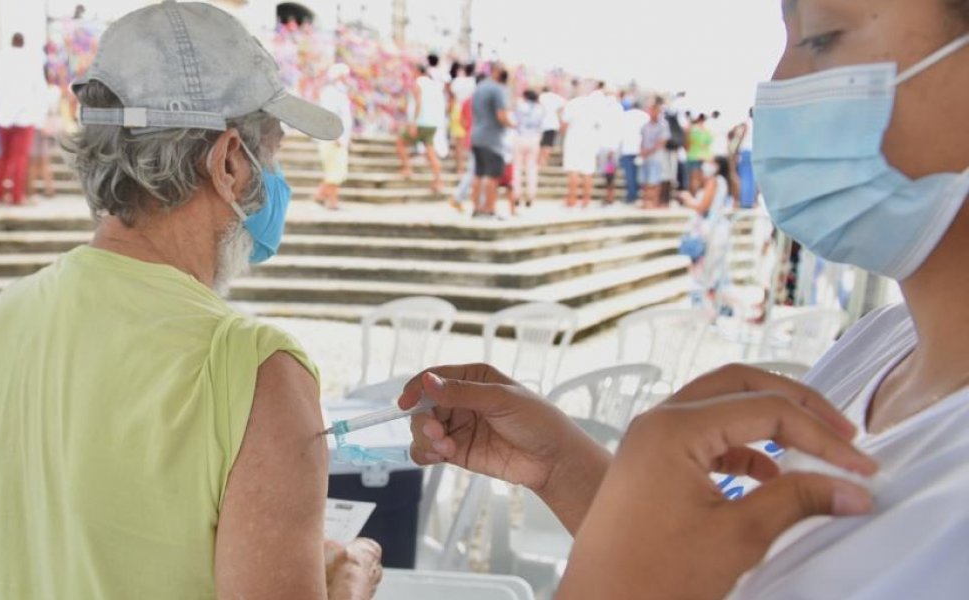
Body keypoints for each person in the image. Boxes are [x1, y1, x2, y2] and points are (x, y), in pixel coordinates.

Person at [403, 0, 969, 596]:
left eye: (825, 35)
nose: (777, 87)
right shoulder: (883, 343)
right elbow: (719, 572)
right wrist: (563, 466)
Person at [0, 3, 382, 599]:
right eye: (274, 154)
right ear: (230, 162)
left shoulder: (10, 313)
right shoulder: (254, 371)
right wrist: (348, 582)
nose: (279, 182)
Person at [0, 33, 46, 206]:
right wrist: (39, 118)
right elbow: (39, 90)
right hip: (25, 116)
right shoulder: (32, 62)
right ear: (24, 43)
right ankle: (16, 196)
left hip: (3, 116)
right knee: (20, 158)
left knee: (3, 156)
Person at [678, 156, 733, 311]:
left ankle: (703, 308)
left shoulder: (714, 181)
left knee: (702, 271)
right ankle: (718, 306)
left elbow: (702, 207)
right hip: (717, 229)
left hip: (709, 230)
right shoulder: (723, 182)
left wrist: (688, 199)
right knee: (715, 271)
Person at [560, 80, 617, 208]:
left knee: (573, 170)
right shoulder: (596, 106)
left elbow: (564, 125)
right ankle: (586, 200)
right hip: (590, 142)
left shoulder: (573, 104)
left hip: (574, 141)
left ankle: (571, 200)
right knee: (587, 172)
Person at [469, 66, 513, 218]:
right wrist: (512, 124)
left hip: (477, 135)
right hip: (492, 138)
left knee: (478, 174)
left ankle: (477, 208)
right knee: (493, 175)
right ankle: (489, 209)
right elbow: (501, 115)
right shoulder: (497, 90)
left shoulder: (479, 88)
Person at [395, 63, 445, 194]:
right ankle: (438, 181)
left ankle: (407, 169)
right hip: (432, 123)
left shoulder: (418, 84)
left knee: (400, 142)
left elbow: (418, 103)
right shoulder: (434, 85)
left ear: (417, 71)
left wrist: (413, 122)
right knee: (431, 152)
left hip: (421, 122)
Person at [316, 63, 353, 210]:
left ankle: (319, 195)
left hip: (340, 138)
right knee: (335, 171)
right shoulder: (330, 92)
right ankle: (332, 201)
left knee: (338, 170)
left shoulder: (340, 92)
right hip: (333, 139)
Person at [30, 66, 63, 199]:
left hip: (43, 126)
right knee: (40, 159)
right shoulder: (52, 90)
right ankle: (45, 188)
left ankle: (42, 188)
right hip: (45, 125)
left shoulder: (50, 91)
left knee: (40, 159)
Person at [512, 89, 544, 208]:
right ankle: (531, 195)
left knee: (517, 168)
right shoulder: (540, 109)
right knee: (531, 168)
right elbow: (541, 125)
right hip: (534, 139)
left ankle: (516, 194)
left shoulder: (520, 106)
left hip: (520, 137)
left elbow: (514, 122)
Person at [638, 96, 671, 208]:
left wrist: (649, 151)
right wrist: (642, 151)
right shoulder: (645, 126)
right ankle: (646, 201)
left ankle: (654, 201)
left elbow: (662, 142)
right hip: (646, 157)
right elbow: (642, 140)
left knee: (655, 180)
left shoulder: (663, 125)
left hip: (656, 157)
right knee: (645, 180)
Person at [617, 100, 649, 204]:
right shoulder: (645, 116)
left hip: (627, 148)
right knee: (640, 174)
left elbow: (620, 133)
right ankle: (639, 195)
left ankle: (631, 195)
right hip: (640, 149)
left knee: (630, 175)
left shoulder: (625, 116)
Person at [449, 62, 476, 174]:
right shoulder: (473, 83)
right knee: (466, 142)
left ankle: (460, 168)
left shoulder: (457, 81)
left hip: (458, 110)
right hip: (469, 112)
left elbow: (452, 97)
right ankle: (464, 168)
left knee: (458, 143)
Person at [729, 108, 757, 208]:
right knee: (752, 178)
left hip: (745, 152)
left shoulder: (746, 124)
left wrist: (736, 152)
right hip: (754, 152)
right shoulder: (759, 123)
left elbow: (740, 139)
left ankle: (744, 202)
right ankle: (750, 201)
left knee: (744, 178)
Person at [537, 86, 566, 167]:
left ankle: (540, 162)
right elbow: (565, 104)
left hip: (541, 124)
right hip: (553, 123)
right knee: (548, 144)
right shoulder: (556, 97)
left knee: (541, 144)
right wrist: (559, 114)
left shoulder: (541, 97)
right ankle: (544, 162)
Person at [685, 112, 715, 193]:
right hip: (703, 157)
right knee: (700, 180)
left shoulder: (691, 129)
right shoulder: (707, 130)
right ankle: (697, 198)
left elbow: (687, 143)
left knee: (693, 179)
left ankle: (693, 197)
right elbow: (708, 144)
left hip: (691, 155)